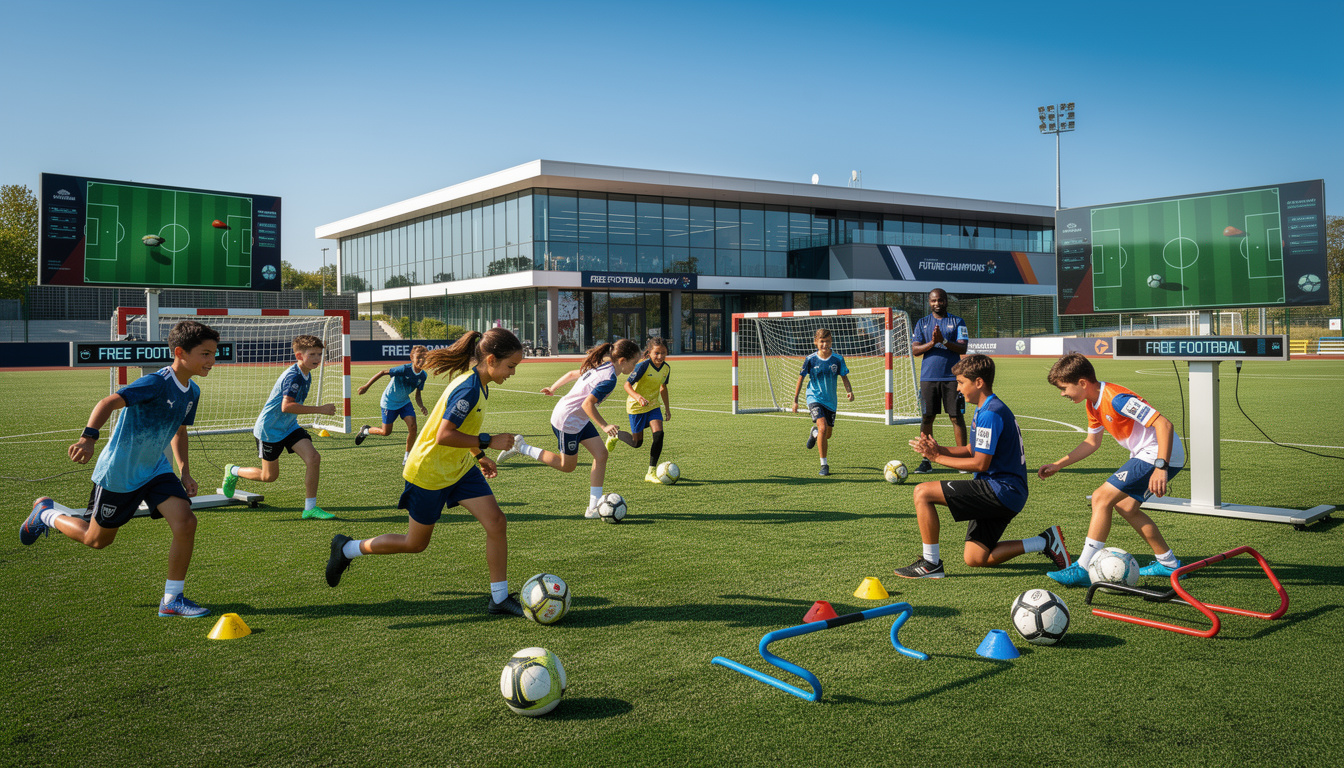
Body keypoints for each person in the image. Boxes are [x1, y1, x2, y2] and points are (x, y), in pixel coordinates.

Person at [20, 320, 220, 618]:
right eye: (205, 354)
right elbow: (108, 402)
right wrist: (88, 439)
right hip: (120, 473)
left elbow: (179, 431)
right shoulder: (155, 382)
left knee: (186, 522)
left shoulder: (192, 392)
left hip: (155, 469)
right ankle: (46, 514)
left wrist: (184, 472)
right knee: (96, 540)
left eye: (213, 354)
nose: (211, 361)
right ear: (180, 352)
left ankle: (171, 599)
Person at [324, 329, 526, 615]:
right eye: (511, 366)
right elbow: (444, 435)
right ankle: (347, 549)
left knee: (496, 522)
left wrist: (479, 455)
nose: (513, 372)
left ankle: (499, 598)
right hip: (429, 472)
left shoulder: (480, 383)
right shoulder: (468, 387)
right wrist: (488, 441)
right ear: (491, 359)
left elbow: (461, 430)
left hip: (458, 468)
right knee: (415, 543)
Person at [894, 354, 1069, 579]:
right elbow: (971, 449)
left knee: (922, 492)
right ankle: (1045, 541)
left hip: (1001, 490)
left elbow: (979, 463)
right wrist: (939, 449)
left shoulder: (990, 413)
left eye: (961, 382)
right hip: (1006, 491)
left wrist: (936, 458)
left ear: (978, 382)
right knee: (976, 558)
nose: (958, 389)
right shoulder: (986, 407)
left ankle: (931, 564)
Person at [1039, 352, 1187, 586]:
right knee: (1126, 507)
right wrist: (1059, 464)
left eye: (1064, 387)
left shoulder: (1117, 398)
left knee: (1101, 498)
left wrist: (1161, 466)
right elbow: (1091, 443)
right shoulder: (1092, 403)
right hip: (1149, 454)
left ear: (1082, 383)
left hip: (1158, 453)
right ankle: (1168, 563)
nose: (1062, 393)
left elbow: (1163, 424)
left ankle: (1083, 568)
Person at [496, 339, 641, 517]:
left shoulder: (604, 365)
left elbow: (573, 373)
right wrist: (604, 426)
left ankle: (593, 508)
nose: (635, 367)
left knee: (601, 454)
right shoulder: (609, 378)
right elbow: (588, 405)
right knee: (567, 466)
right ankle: (521, 447)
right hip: (567, 420)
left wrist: (553, 387)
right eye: (634, 363)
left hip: (578, 418)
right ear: (622, 361)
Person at [222, 335, 336, 519]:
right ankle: (233, 470)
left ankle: (310, 508)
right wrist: (320, 409)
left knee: (314, 458)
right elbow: (287, 406)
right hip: (270, 430)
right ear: (299, 355)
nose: (317, 358)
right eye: (313, 354)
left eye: (320, 354)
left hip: (289, 426)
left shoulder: (306, 373)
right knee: (269, 477)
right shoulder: (293, 377)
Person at [910, 288, 969, 474]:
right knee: (927, 417)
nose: (937, 303)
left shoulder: (958, 321)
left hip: (953, 378)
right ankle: (926, 461)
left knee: (956, 417)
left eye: (940, 300)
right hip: (928, 378)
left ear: (946, 301)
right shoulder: (922, 323)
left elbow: (963, 347)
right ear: (929, 302)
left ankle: (963, 460)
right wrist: (933, 343)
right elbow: (915, 350)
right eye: (934, 300)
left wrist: (943, 341)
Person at [791, 328, 853, 477]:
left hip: (830, 401)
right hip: (814, 398)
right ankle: (824, 464)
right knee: (823, 427)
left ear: (831, 342)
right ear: (816, 342)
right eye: (822, 341)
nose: (825, 344)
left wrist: (849, 391)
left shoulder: (837, 359)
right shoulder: (810, 359)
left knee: (827, 434)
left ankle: (814, 433)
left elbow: (844, 376)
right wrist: (795, 400)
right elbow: (801, 378)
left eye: (828, 341)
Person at [354, 344, 430, 465]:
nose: (422, 360)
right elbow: (383, 372)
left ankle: (407, 456)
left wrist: (421, 406)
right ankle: (366, 431)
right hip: (389, 403)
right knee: (386, 432)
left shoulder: (423, 376)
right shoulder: (404, 369)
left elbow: (418, 395)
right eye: (419, 358)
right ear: (412, 358)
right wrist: (366, 387)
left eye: (424, 358)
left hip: (405, 403)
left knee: (413, 428)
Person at [612, 336, 673, 483]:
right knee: (636, 443)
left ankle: (650, 472)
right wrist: (638, 397)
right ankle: (615, 435)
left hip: (652, 406)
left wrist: (667, 408)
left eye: (663, 353)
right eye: (657, 353)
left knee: (659, 435)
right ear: (649, 353)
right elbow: (627, 385)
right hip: (636, 407)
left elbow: (663, 387)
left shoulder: (666, 368)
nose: (660, 356)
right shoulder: (643, 366)